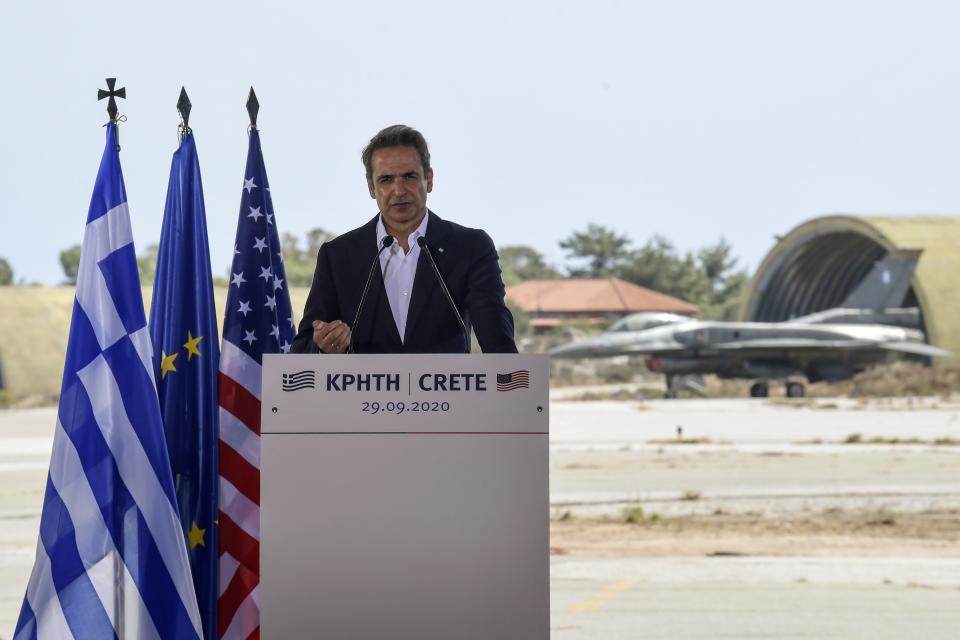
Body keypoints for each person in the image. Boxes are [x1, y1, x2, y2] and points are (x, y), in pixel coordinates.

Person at [291, 124, 517, 354]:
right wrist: (323, 346)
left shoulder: (470, 247)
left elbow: (497, 340)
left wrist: (512, 379)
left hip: (446, 390)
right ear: (371, 187)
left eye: (409, 177)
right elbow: (302, 350)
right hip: (364, 391)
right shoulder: (338, 256)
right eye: (386, 179)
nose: (398, 190)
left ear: (428, 179)